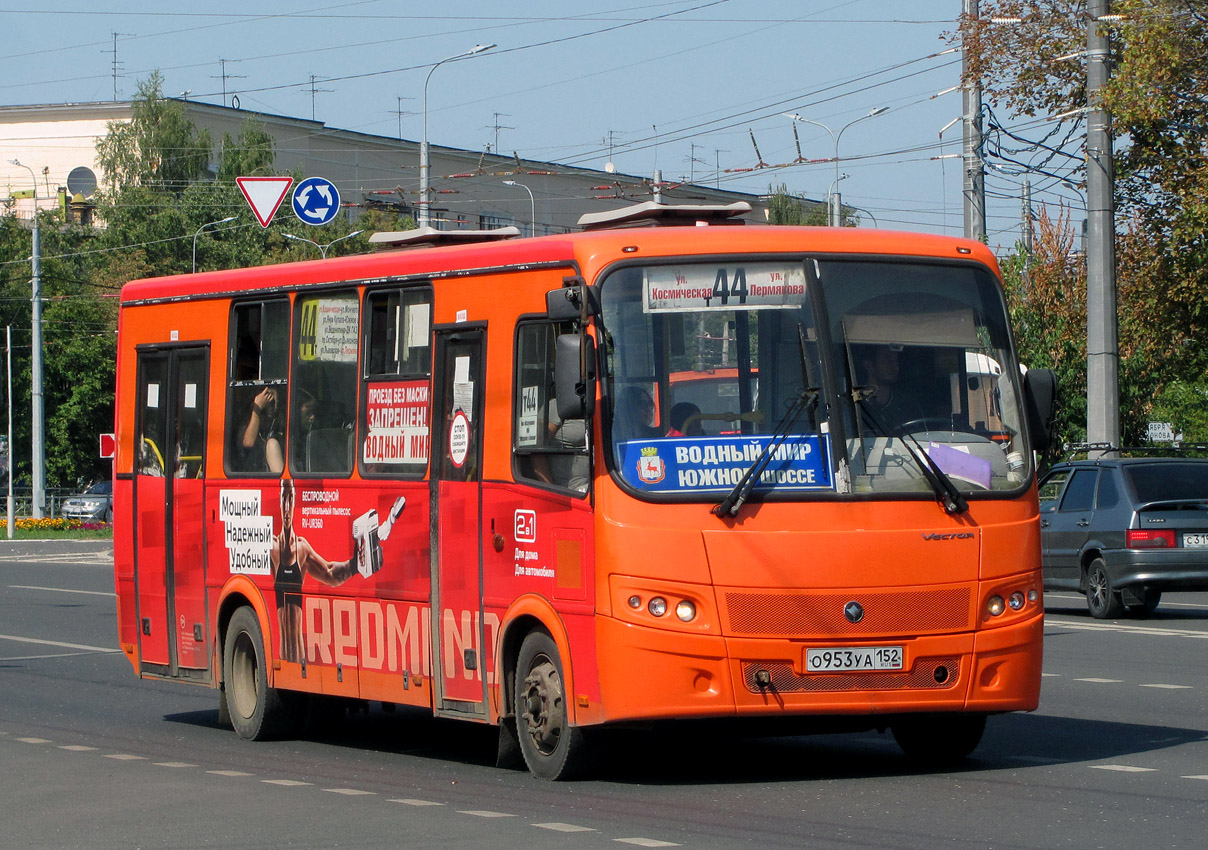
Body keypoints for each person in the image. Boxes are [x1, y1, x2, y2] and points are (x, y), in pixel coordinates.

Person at [270, 478, 361, 664]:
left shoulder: (302, 550)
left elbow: (330, 573)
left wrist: (355, 565)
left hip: (298, 656)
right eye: (283, 498)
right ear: (279, 501)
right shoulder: (271, 548)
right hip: (281, 657)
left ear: (295, 501)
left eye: (291, 498)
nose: (287, 507)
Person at [242, 386, 284, 474]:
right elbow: (248, 442)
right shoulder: (247, 425)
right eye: (268, 404)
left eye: (273, 403)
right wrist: (257, 408)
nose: (272, 408)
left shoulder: (278, 426)